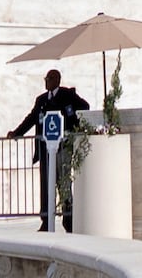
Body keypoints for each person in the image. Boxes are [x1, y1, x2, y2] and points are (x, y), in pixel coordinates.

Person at [10, 70, 91, 228]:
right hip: (45, 149)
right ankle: (46, 220)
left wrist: (72, 124)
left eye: (50, 78)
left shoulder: (67, 95)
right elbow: (31, 119)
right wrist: (17, 133)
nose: (46, 81)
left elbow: (84, 106)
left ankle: (69, 219)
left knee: (63, 183)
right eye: (45, 78)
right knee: (46, 185)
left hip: (63, 148)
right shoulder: (41, 100)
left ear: (58, 80)